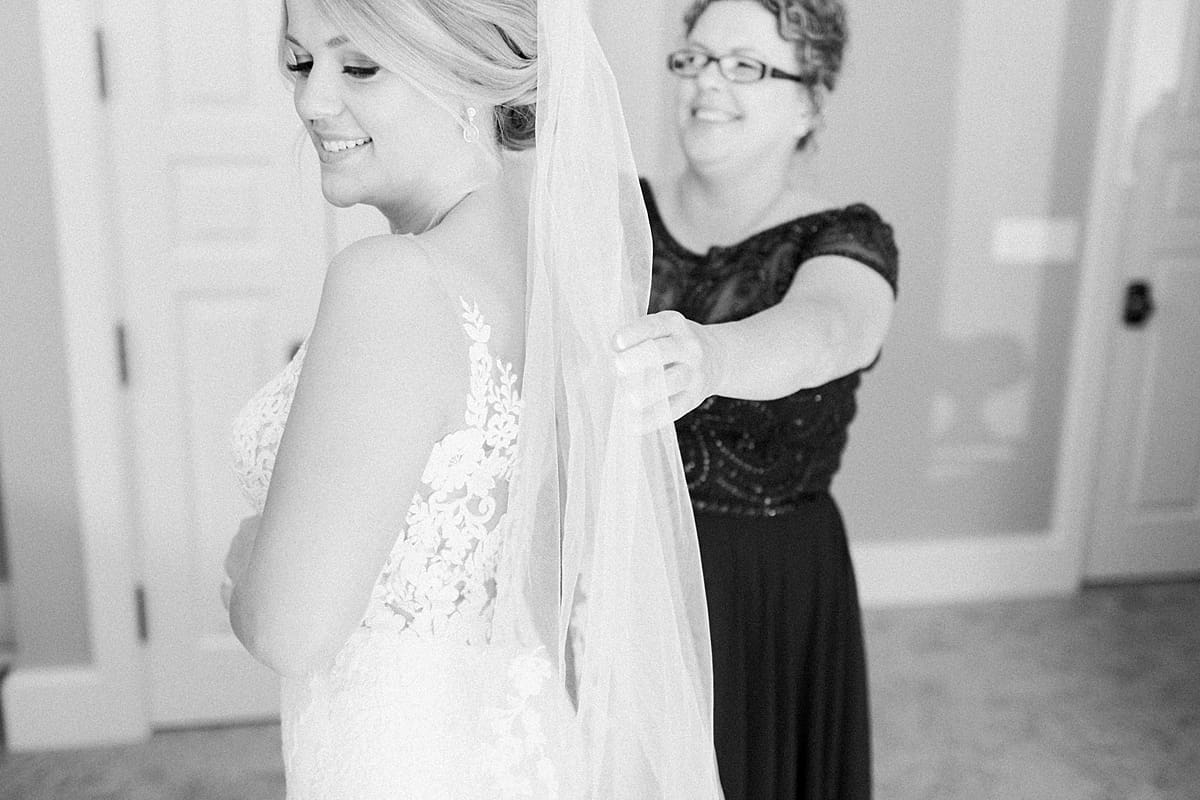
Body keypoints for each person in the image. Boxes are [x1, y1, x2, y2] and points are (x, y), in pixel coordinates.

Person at [220, 0, 724, 797]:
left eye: (359, 66)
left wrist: (246, 562)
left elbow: (290, 632)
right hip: (516, 739)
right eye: (299, 61)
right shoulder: (546, 263)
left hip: (404, 762)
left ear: (474, 76)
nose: (313, 100)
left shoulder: (391, 283)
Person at [613, 1, 898, 798]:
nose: (708, 83)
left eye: (745, 65)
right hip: (619, 567)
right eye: (695, 59)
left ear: (811, 100)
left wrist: (711, 356)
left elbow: (830, 331)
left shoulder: (846, 238)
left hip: (765, 592)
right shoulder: (610, 210)